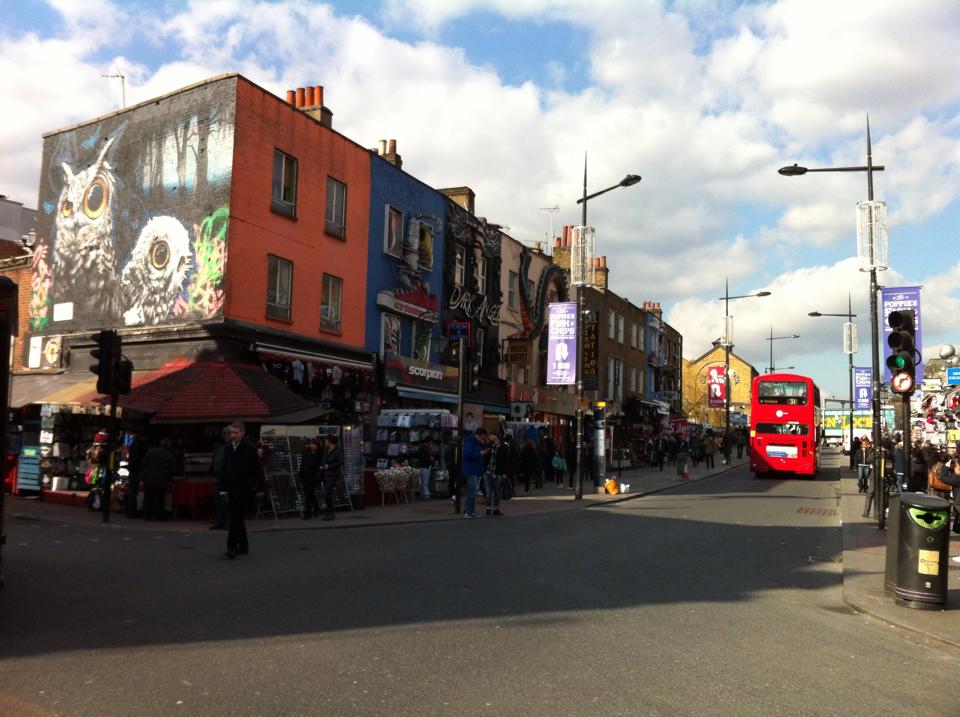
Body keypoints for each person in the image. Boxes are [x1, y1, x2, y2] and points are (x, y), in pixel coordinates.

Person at [222, 422, 266, 559]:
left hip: (245, 488)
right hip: (231, 487)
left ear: (242, 433)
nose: (233, 435)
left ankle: (231, 547)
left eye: (235, 433)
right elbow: (224, 469)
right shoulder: (228, 447)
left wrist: (261, 488)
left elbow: (258, 469)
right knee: (238, 518)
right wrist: (223, 489)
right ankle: (244, 546)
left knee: (235, 518)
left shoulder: (250, 447)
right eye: (231, 433)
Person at [140, 438, 175, 521]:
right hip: (161, 480)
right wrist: (170, 480)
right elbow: (171, 469)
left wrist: (143, 475)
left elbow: (143, 464)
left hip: (149, 478)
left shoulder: (151, 451)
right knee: (160, 498)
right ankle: (158, 516)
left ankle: (147, 515)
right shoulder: (169, 455)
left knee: (148, 497)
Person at [461, 427, 487, 518]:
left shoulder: (474, 441)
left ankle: (471, 510)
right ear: (480, 435)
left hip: (474, 469)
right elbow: (467, 454)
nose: (483, 439)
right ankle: (468, 511)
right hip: (471, 470)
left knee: (473, 491)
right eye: (483, 437)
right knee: (472, 491)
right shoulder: (471, 441)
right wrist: (480, 453)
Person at [209, 427, 231, 530]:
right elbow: (216, 459)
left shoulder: (232, 447)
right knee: (218, 500)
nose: (226, 435)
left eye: (228, 433)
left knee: (226, 501)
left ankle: (228, 522)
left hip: (227, 478)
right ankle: (220, 521)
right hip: (219, 478)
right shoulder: (221, 447)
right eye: (225, 433)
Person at [320, 434, 344, 521]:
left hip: (334, 475)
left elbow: (340, 462)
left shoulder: (337, 450)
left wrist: (329, 466)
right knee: (327, 494)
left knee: (327, 494)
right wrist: (323, 466)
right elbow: (324, 460)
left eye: (326, 440)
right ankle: (329, 513)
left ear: (329, 441)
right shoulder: (326, 449)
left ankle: (330, 513)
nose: (325, 441)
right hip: (326, 474)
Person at [298, 437, 323, 519]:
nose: (312, 445)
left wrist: (317, 476)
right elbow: (303, 464)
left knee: (309, 494)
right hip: (305, 476)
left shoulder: (320, 454)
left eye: (314, 444)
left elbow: (320, 466)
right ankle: (316, 509)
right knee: (309, 494)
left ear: (317, 445)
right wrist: (300, 475)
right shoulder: (306, 453)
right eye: (311, 444)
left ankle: (307, 513)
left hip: (314, 477)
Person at [125, 433, 147, 518]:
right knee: (135, 491)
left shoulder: (133, 445)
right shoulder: (140, 445)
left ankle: (131, 511)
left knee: (132, 491)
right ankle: (134, 511)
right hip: (137, 470)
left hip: (133, 470)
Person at [857, 438, 876, 518]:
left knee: (870, 494)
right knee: (878, 496)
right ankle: (877, 514)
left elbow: (869, 459)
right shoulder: (886, 451)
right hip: (881, 476)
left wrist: (871, 450)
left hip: (874, 476)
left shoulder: (873, 451)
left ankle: (866, 513)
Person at [483, 433, 502, 516]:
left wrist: (504, 472)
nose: (490, 437)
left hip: (497, 472)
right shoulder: (489, 445)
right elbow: (485, 458)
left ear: (496, 436)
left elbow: (505, 460)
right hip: (488, 472)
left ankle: (496, 508)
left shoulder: (502, 447)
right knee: (488, 492)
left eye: (491, 435)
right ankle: (488, 508)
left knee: (497, 491)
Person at [496, 434, 518, 499]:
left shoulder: (504, 445)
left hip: (507, 465)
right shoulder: (514, 444)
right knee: (510, 479)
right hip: (512, 464)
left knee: (505, 480)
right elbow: (516, 454)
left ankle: (506, 493)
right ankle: (510, 492)